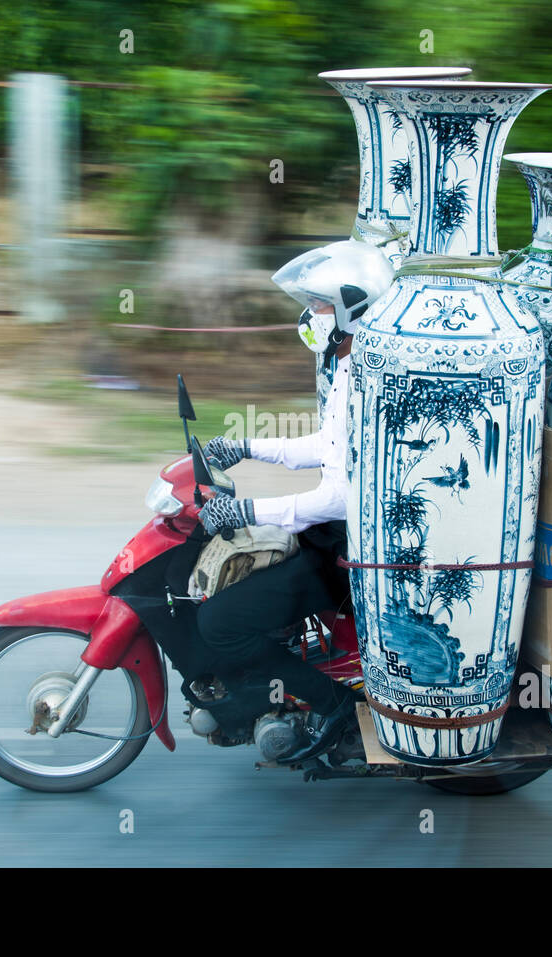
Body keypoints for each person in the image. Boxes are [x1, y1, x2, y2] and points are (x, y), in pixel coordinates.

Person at [195, 241, 394, 762]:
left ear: (354, 309)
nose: (311, 316)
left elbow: (339, 497)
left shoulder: (368, 383)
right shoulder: (350, 371)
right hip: (328, 537)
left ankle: (331, 707)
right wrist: (244, 446)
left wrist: (249, 511)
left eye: (322, 305)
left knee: (220, 623)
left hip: (344, 552)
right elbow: (322, 451)